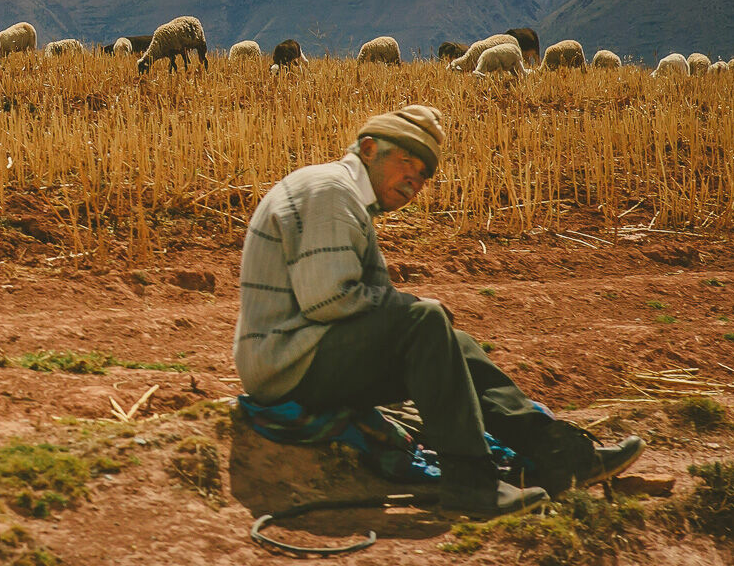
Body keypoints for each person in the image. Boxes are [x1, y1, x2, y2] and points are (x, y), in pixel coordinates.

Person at [233, 105, 643, 518]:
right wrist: (413, 313)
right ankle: (471, 486)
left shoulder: (347, 200)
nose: (415, 177)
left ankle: (558, 454)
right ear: (369, 149)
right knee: (425, 322)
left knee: (448, 339)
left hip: (311, 353)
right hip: (285, 364)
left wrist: (416, 322)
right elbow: (327, 299)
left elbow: (360, 305)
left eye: (425, 172)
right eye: (406, 160)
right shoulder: (329, 190)